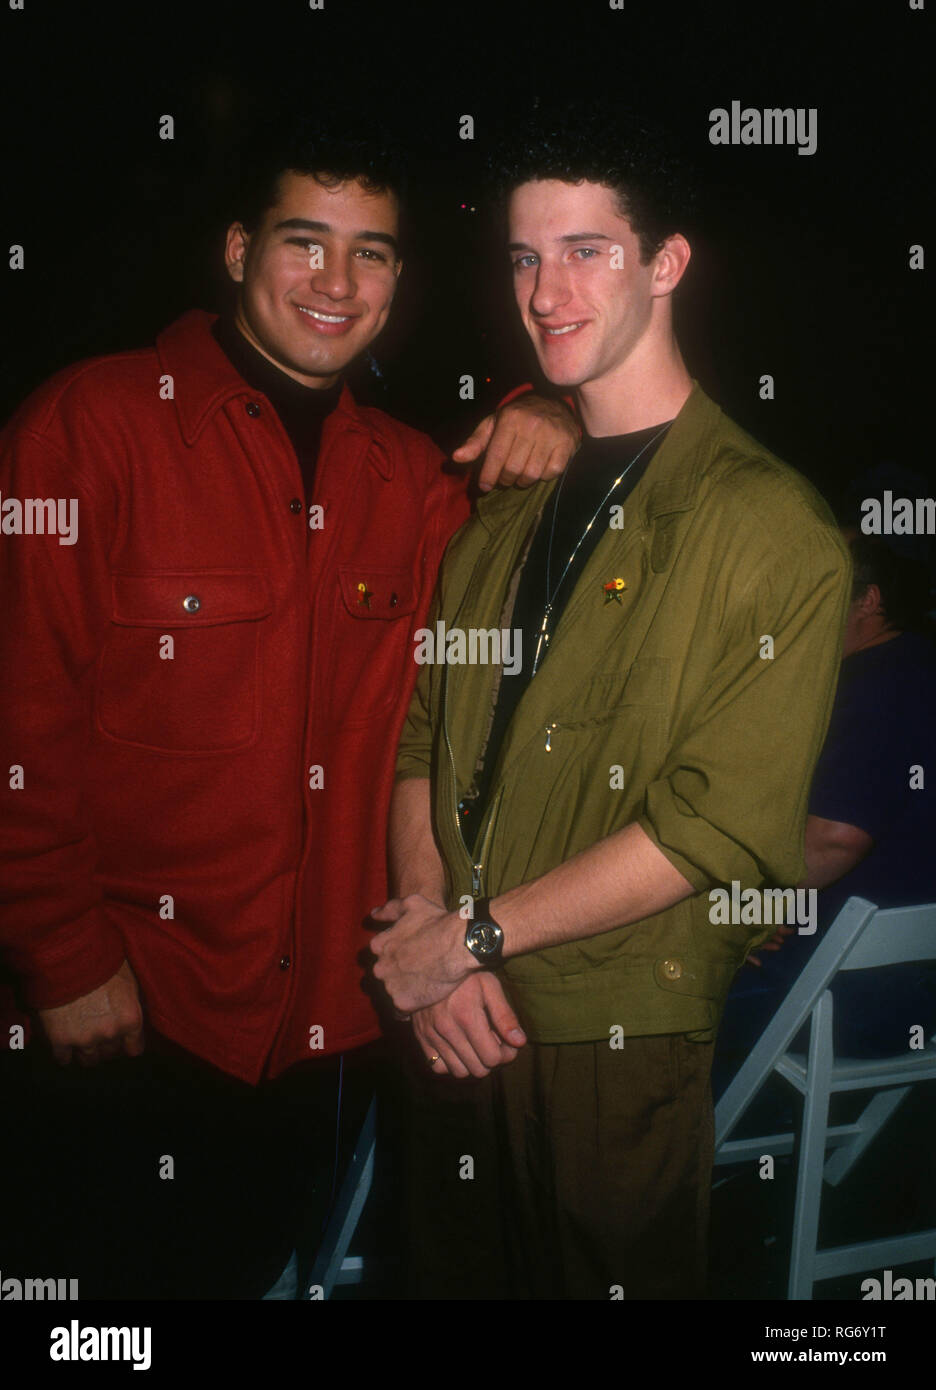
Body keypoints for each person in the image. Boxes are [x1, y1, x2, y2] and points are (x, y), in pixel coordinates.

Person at [0, 121, 579, 1299]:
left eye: (371, 254)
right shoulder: (87, 426)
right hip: (126, 1005)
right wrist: (58, 955)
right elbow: (19, 711)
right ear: (234, 248)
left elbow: (536, 603)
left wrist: (553, 409)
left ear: (399, 282)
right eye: (304, 241)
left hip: (324, 1027)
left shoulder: (415, 476)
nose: (335, 281)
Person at [370, 104, 852, 1299]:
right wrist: (433, 937)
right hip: (450, 1016)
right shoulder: (503, 514)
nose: (546, 290)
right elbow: (424, 740)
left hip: (608, 1026)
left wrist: (471, 940)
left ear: (667, 262)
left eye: (588, 249)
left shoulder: (769, 524)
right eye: (527, 257)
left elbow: (717, 826)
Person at [716, 531, 936, 1089]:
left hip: (845, 997)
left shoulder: (874, 684)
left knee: (644, 987)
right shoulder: (916, 663)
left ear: (869, 600)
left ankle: (674, 1164)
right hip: (912, 985)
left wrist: (739, 915)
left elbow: (835, 839)